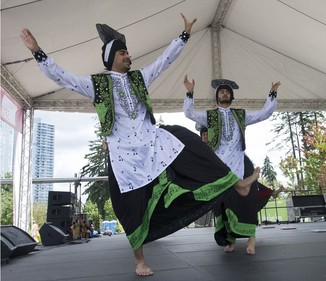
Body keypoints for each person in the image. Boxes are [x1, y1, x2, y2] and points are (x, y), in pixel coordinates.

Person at [21, 14, 260, 277]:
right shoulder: (97, 85)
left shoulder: (138, 78)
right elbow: (62, 77)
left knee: (187, 139)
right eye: (123, 52)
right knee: (132, 208)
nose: (128, 55)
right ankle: (139, 261)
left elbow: (164, 62)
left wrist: (184, 35)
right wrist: (38, 52)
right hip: (126, 157)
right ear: (112, 56)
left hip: (153, 142)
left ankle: (236, 182)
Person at [183, 75, 280, 254]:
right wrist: (190, 93)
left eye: (227, 91)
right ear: (217, 96)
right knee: (222, 205)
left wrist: (272, 94)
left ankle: (251, 238)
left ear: (231, 96)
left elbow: (264, 114)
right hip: (219, 167)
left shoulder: (240, 115)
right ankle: (231, 240)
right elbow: (189, 114)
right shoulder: (210, 116)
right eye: (221, 91)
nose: (224, 93)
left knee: (246, 202)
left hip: (239, 164)